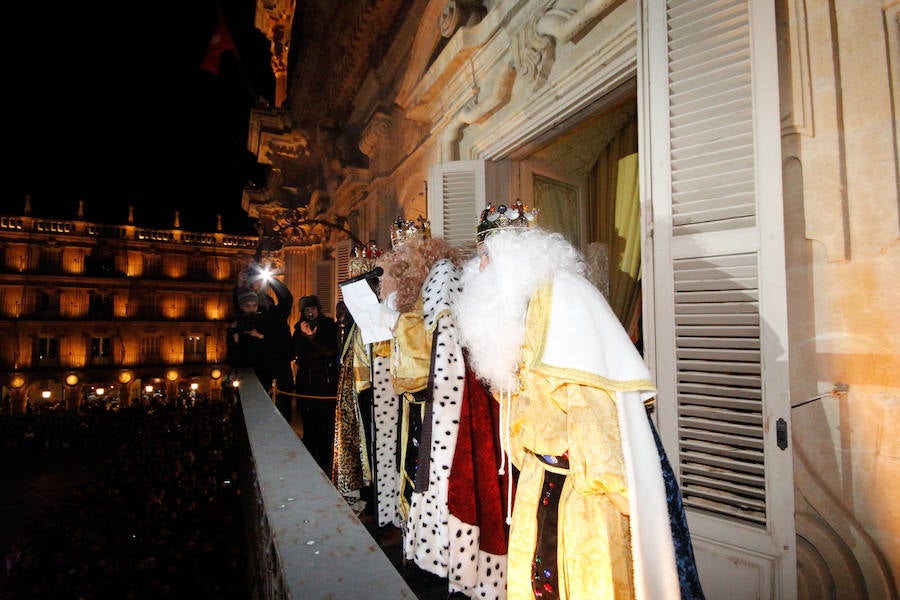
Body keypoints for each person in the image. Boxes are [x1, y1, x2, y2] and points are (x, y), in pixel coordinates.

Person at [451, 210, 704, 600]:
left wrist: (627, 500)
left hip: (582, 499)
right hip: (539, 481)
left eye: (484, 256)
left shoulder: (563, 300)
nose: (476, 268)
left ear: (509, 259)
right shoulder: (521, 309)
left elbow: (594, 411)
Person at [227, 275, 294, 423]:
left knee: (281, 416)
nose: (253, 308)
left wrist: (271, 279)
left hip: (278, 373)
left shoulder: (275, 318)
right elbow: (234, 358)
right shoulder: (242, 323)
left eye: (256, 304)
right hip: (254, 377)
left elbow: (286, 299)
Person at [292, 294, 339, 474]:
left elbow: (330, 351)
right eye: (306, 310)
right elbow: (294, 352)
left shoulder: (327, 325)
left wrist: (313, 338)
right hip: (306, 384)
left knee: (325, 425)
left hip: (325, 384)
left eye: (312, 308)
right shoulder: (299, 328)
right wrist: (301, 336)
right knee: (308, 425)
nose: (309, 312)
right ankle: (310, 460)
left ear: (318, 309)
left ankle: (326, 461)